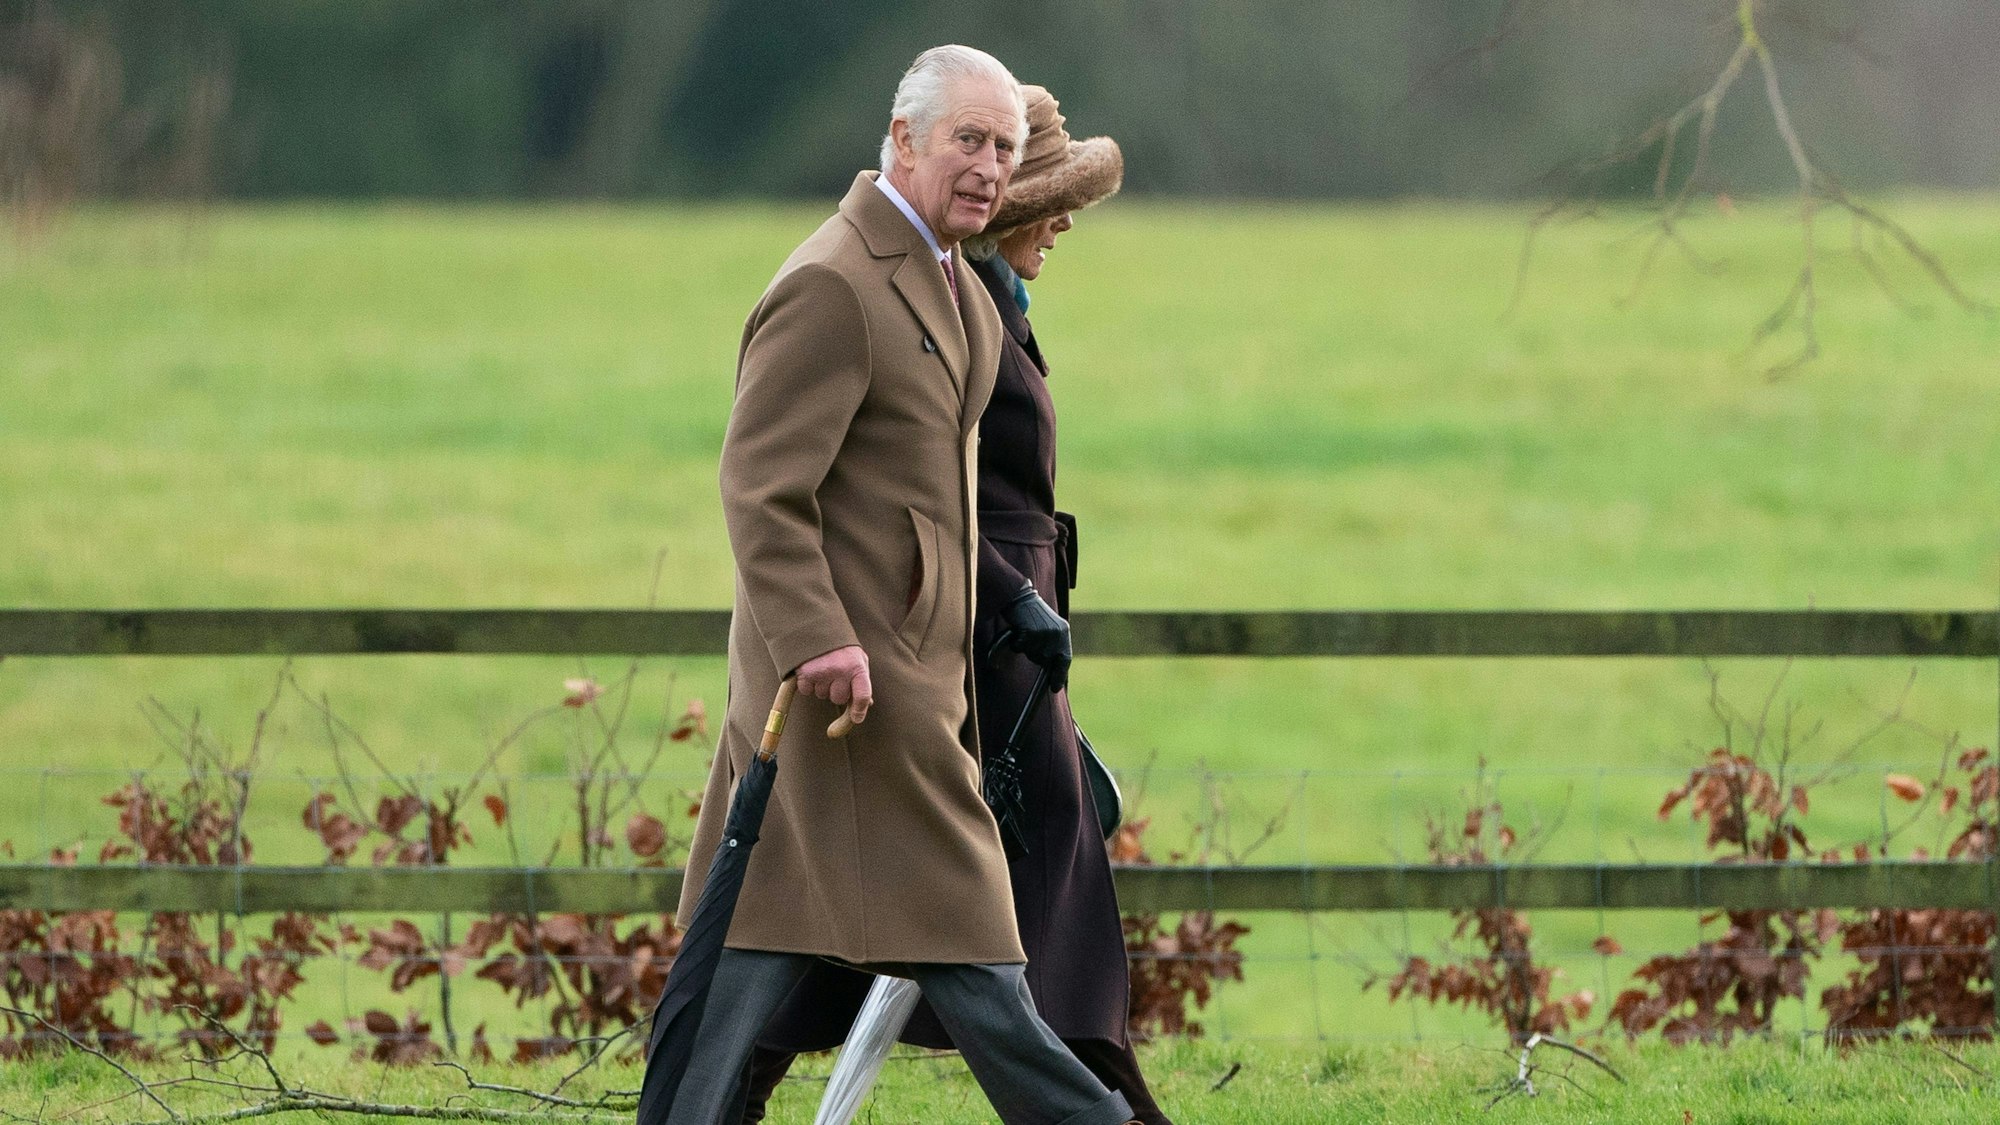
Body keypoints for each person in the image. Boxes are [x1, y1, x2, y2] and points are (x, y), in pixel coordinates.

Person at [650, 46, 1135, 1125]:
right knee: (978, 961)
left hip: (909, 690)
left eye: (1003, 148)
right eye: (968, 139)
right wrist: (817, 637)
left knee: (758, 957)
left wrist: (1003, 596)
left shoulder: (950, 282)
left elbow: (930, 497)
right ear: (903, 138)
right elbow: (762, 488)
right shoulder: (831, 282)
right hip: (840, 701)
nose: (987, 167)